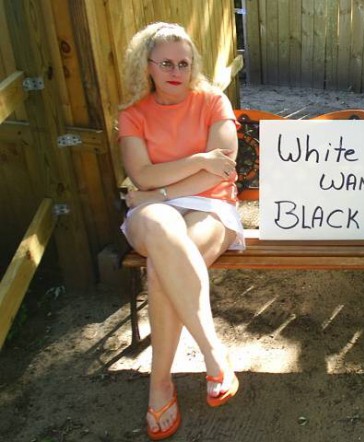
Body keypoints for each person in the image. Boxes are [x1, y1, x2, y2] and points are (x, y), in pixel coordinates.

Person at [117, 22, 243, 440]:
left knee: (161, 267)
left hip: (211, 207)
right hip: (152, 214)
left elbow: (223, 168)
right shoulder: (133, 115)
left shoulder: (212, 101)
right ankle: (213, 354)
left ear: (193, 66)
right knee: (163, 226)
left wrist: (162, 189)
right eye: (166, 63)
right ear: (147, 65)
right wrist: (199, 160)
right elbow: (141, 173)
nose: (176, 71)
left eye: (184, 64)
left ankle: (160, 386)